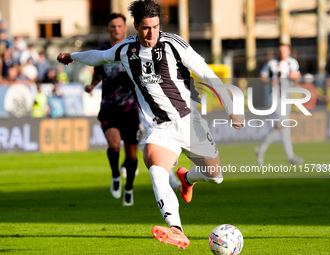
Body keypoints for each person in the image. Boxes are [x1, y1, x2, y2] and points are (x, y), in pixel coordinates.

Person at [57, 0, 244, 249]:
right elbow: (98, 57)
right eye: (146, 28)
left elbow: (206, 73)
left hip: (189, 121)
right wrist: (72, 56)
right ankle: (176, 229)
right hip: (160, 128)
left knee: (215, 176)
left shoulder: (174, 45)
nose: (152, 33)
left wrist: (232, 108)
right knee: (156, 167)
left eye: (156, 26)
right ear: (136, 26)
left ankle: (187, 178)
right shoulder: (125, 50)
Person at [84, 13, 141, 206]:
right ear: (108, 30)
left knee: (131, 155)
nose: (116, 29)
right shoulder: (102, 52)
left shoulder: (133, 51)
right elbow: (98, 75)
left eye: (119, 26)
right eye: (112, 26)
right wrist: (92, 85)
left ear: (125, 29)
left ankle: (129, 188)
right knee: (114, 145)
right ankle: (116, 175)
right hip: (109, 108)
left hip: (130, 110)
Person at [255, 43, 304, 165]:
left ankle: (262, 150)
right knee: (284, 124)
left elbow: (297, 77)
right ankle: (288, 156)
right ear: (278, 51)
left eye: (285, 51)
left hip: (287, 96)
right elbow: (262, 76)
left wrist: (295, 77)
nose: (283, 53)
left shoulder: (292, 62)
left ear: (288, 52)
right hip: (275, 97)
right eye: (281, 51)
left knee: (282, 127)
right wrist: (270, 81)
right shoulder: (271, 63)